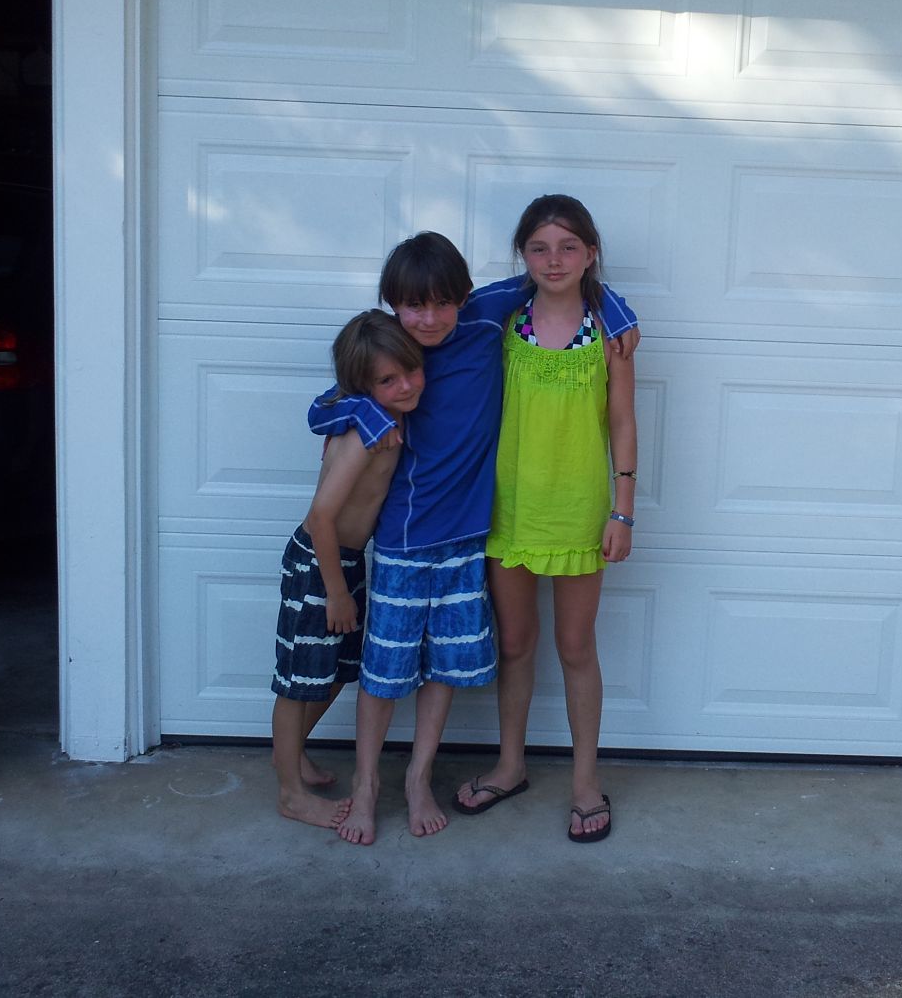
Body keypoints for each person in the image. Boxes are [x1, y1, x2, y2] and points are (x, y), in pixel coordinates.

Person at [309, 230, 639, 845]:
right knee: (384, 674)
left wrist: (617, 309)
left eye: (443, 302)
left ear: (463, 296)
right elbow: (323, 407)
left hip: (469, 541)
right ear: (392, 305)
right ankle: (366, 786)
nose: (430, 319)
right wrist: (362, 412)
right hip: (404, 542)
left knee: (442, 670)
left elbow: (555, 276)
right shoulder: (390, 348)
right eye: (413, 306)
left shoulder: (486, 316)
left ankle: (419, 779)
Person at [453, 195, 635, 842]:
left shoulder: (610, 331)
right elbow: (442, 315)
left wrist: (623, 510)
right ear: (522, 256)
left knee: (576, 648)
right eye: (539, 248)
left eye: (567, 247)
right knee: (515, 644)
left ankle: (586, 782)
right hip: (510, 509)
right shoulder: (502, 319)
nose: (553, 260)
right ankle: (511, 765)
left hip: (579, 513)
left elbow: (622, 423)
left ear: (590, 253)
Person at [270, 310, 424, 829]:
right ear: (363, 386)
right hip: (321, 562)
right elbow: (321, 517)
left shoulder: (382, 418)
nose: (405, 386)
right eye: (388, 380)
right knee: (298, 681)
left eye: (411, 370)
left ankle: (292, 756)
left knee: (336, 672)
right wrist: (336, 592)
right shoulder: (364, 434)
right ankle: (290, 793)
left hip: (347, 561)